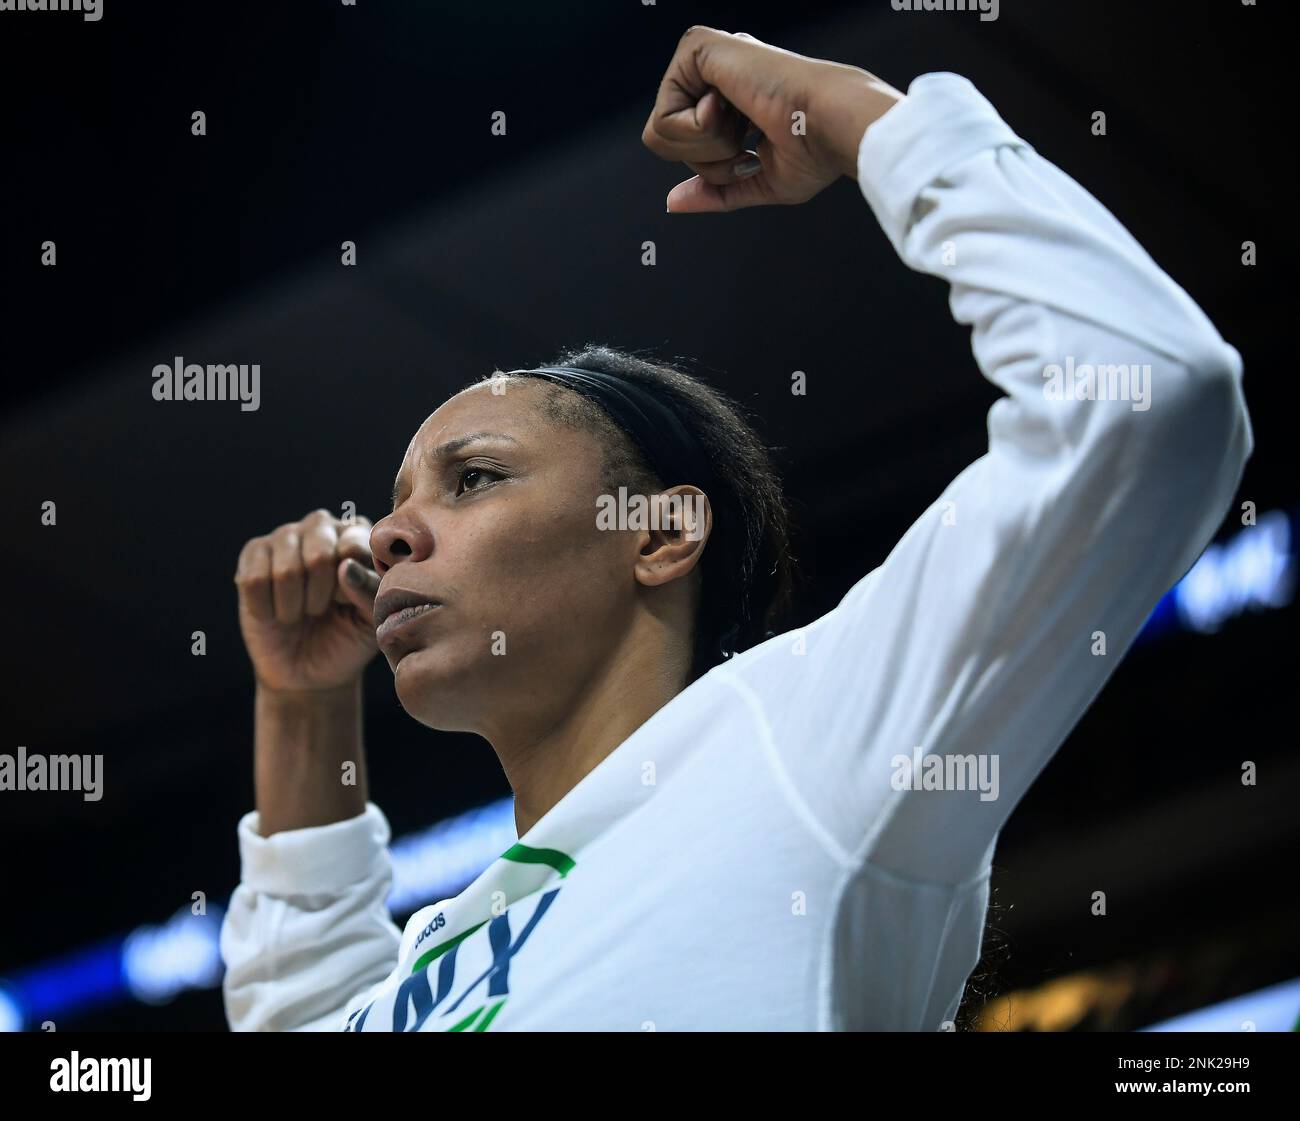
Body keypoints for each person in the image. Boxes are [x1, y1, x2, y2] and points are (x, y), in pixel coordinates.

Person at [220, 27, 1252, 1031]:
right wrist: (304, 704)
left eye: (473, 478)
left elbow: (1142, 396)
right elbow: (306, 1012)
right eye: (397, 500)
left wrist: (855, 117)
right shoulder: (447, 952)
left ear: (660, 533)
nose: (389, 533)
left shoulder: (800, 740)